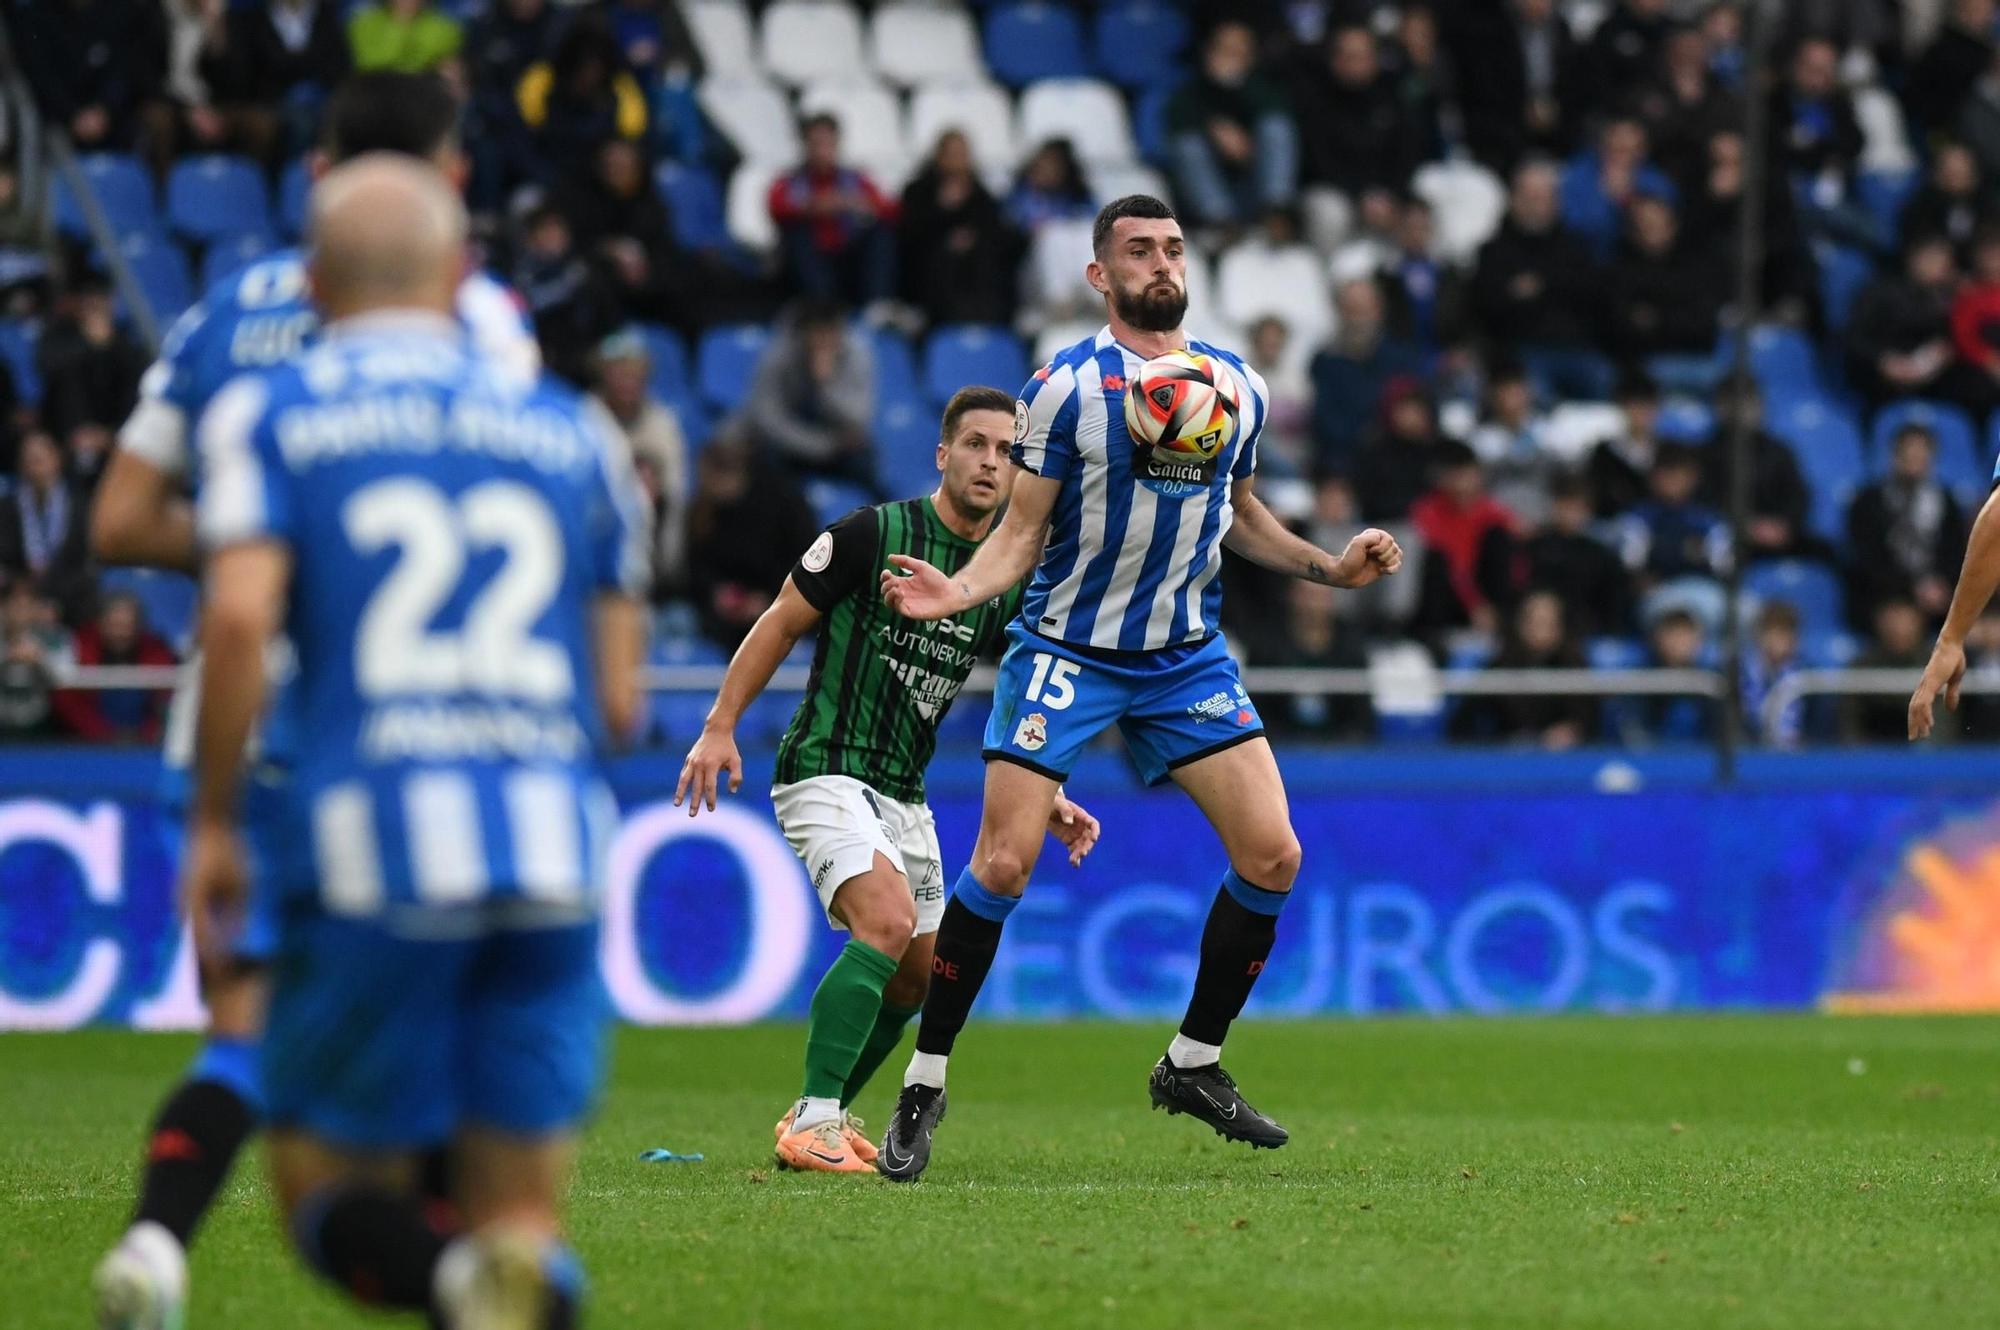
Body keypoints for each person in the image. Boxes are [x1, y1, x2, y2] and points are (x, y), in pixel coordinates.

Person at [89, 72, 543, 1330]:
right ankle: (475, 1274)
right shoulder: (483, 321)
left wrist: (259, 544)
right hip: (411, 727)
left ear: (315, 175)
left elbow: (118, 519)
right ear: (451, 180)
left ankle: (157, 1246)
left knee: (246, 1032)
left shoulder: (229, 316)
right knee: (431, 1054)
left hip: (240, 718)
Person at [184, 154, 645, 1327]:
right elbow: (624, 703)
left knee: (323, 1184)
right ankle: (488, 1282)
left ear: (316, 286)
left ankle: (443, 1281)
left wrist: (214, 819)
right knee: (517, 1229)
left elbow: (238, 614)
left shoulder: (274, 412)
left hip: (373, 845)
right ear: (457, 275)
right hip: (552, 850)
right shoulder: (575, 432)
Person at [870, 195, 1401, 1180]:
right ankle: (925, 1079)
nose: (1158, 263)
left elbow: (1237, 515)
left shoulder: (1233, 386)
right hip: (1066, 650)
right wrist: (958, 589)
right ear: (1098, 276)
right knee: (1001, 865)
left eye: (1169, 248)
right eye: (1136, 251)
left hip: (1181, 657)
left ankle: (1191, 1063)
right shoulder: (1064, 388)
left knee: (1274, 853)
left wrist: (1328, 568)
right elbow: (1020, 536)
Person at [675, 387, 1099, 1173]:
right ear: (944, 454)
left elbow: (1017, 695)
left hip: (905, 792)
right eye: (975, 444)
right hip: (826, 769)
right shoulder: (873, 533)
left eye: (1007, 452)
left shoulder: (995, 581)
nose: (990, 461)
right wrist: (719, 725)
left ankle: (821, 1113)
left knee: (922, 977)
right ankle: (816, 1119)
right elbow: (780, 620)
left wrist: (1045, 791)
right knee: (885, 921)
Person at [1168, 20, 1299, 230]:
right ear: (1209, 52)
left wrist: (1237, 86)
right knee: (1188, 145)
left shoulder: (1263, 89)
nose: (1230, 58)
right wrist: (1214, 127)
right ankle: (1222, 225)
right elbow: (1178, 121)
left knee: (1275, 129)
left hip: (1254, 182)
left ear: (1251, 58)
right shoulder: (1190, 92)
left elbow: (1276, 114)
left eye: (1239, 52)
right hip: (1210, 191)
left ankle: (1277, 212)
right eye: (1225, 50)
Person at [742, 299, 880, 495]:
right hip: (792, 443)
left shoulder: (857, 353)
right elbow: (768, 419)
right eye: (817, 333)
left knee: (866, 457)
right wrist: (821, 446)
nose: (824, 341)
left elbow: (858, 419)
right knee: (763, 458)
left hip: (838, 443)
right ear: (803, 332)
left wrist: (825, 386)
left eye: (830, 332)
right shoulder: (778, 355)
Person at [767, 114, 897, 309]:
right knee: (796, 235)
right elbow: (776, 207)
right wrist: (811, 208)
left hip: (849, 258)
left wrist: (853, 203)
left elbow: (890, 210)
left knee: (881, 235)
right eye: (815, 144)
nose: (821, 151)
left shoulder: (856, 181)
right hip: (810, 260)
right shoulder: (790, 182)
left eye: (827, 143)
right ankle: (823, 310)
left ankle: (876, 309)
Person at [1848, 422, 1967, 627]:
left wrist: (1941, 584)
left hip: (1940, 595)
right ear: (1894, 456)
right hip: (1885, 596)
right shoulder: (1868, 502)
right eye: (1908, 453)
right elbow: (1867, 559)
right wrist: (1913, 588)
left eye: (1921, 454)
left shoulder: (1947, 502)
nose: (1914, 460)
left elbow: (1957, 552)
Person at [50, 591, 175, 743]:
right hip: (88, 744)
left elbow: (166, 700)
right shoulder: (80, 648)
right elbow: (67, 700)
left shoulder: (156, 651)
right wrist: (104, 736)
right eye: (114, 625)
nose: (121, 633)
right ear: (101, 624)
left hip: (144, 745)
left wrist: (145, 737)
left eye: (127, 626)